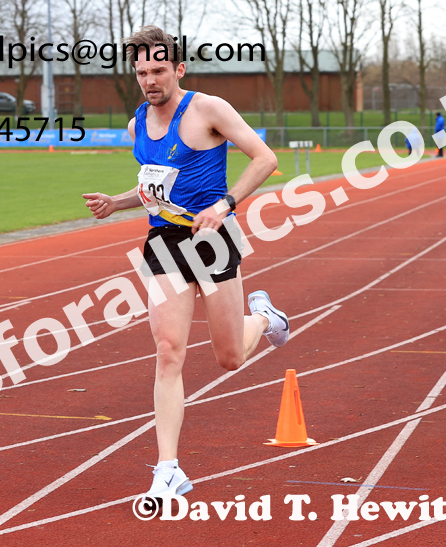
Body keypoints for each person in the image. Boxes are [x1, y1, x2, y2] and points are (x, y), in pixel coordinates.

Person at [82, 26, 290, 502]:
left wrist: (226, 205)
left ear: (178, 69)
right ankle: (168, 468)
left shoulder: (208, 109)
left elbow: (265, 158)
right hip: (164, 243)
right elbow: (155, 188)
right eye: (141, 73)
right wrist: (117, 202)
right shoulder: (138, 124)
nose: (150, 80)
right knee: (168, 350)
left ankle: (264, 317)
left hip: (213, 239)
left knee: (229, 358)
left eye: (158, 70)